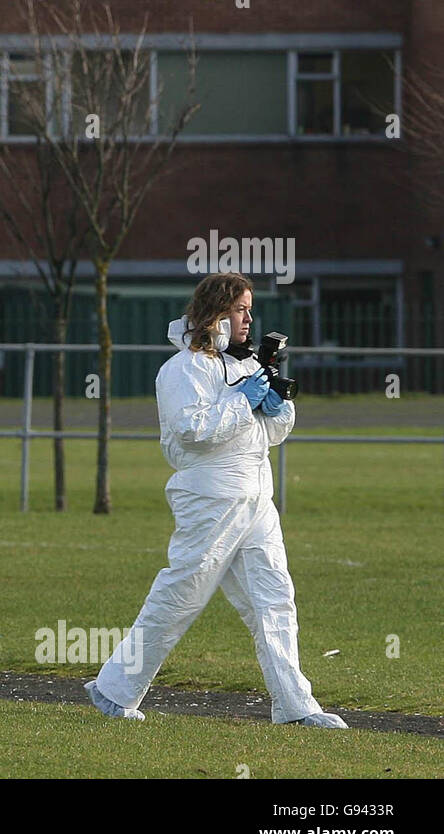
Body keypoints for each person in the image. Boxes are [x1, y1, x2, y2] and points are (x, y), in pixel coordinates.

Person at [85, 272, 347, 728]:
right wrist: (241, 403)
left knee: (275, 600)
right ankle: (114, 690)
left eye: (249, 309)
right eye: (241, 309)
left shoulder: (244, 365)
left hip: (256, 500)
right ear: (216, 312)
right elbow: (192, 431)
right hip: (210, 500)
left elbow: (269, 434)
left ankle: (294, 706)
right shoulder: (182, 369)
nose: (249, 318)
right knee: (181, 595)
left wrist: (277, 408)